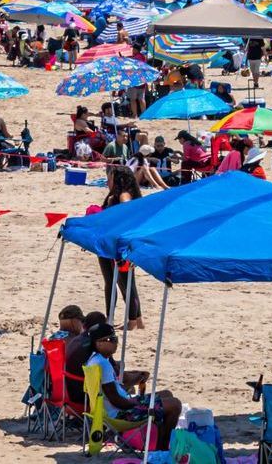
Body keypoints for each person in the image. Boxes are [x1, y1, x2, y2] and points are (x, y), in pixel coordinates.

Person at [81, 322, 182, 436]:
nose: (116, 342)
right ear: (98, 344)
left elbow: (112, 392)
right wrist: (136, 404)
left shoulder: (94, 360)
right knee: (175, 404)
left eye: (115, 338)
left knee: (166, 394)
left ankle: (157, 441)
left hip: (115, 410)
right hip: (120, 415)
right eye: (111, 339)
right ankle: (162, 447)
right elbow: (115, 399)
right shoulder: (102, 364)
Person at [98, 168, 145, 330]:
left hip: (118, 246)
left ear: (118, 180)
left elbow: (127, 215)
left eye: (110, 178)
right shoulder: (115, 196)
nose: (107, 181)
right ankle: (136, 320)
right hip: (108, 244)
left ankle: (131, 321)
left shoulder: (123, 195)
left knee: (124, 283)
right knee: (115, 282)